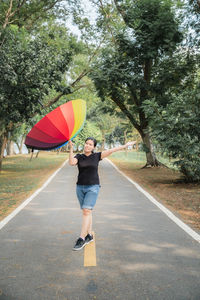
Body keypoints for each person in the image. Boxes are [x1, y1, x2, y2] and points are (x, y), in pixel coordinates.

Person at [68, 137, 136, 251]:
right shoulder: (79, 157)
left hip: (93, 187)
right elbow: (71, 163)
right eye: (86, 143)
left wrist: (125, 145)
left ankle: (82, 238)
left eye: (90, 144)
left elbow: (112, 150)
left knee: (86, 211)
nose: (87, 146)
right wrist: (71, 148)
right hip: (80, 187)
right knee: (87, 211)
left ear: (94, 147)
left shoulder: (97, 156)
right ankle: (89, 235)